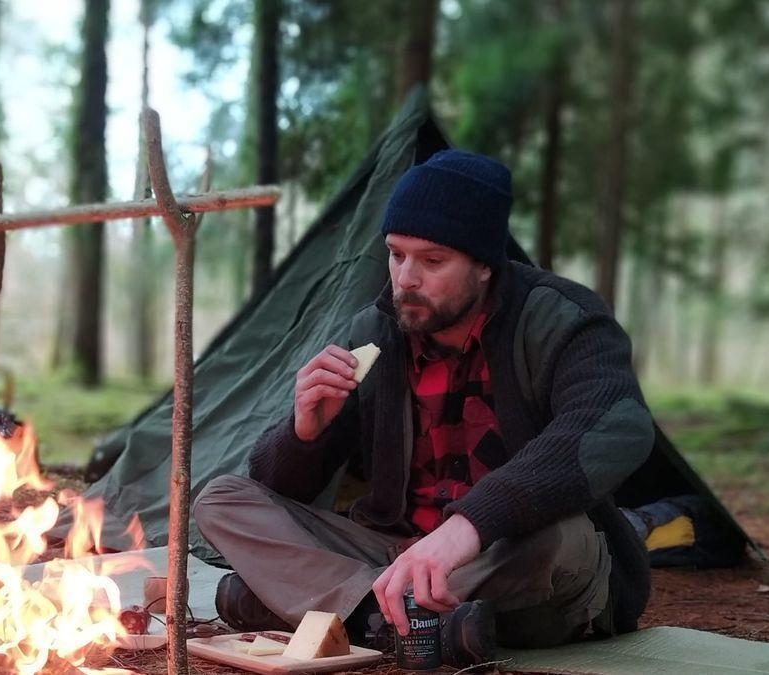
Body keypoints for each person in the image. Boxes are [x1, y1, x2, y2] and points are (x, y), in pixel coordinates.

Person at [193, 149, 655, 667]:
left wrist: (468, 527)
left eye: (432, 261)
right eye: (396, 254)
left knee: (566, 539)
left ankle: (320, 607)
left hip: (501, 553)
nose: (406, 278)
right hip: (393, 553)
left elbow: (616, 426)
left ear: (484, 265)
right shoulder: (374, 331)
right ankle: (392, 618)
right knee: (221, 499)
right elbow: (283, 489)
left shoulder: (562, 319)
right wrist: (306, 432)